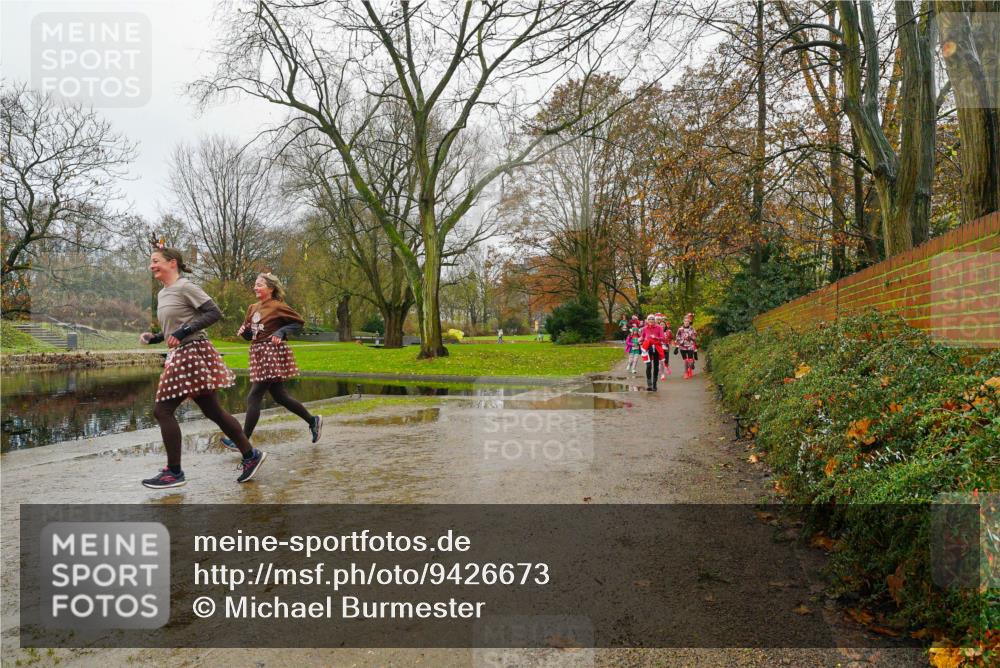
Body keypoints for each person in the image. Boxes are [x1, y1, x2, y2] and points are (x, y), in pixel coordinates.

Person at [139, 247, 267, 489]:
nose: (151, 266)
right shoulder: (163, 293)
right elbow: (175, 327)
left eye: (156, 261)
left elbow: (213, 312)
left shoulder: (185, 287)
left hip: (191, 351)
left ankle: (174, 472)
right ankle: (251, 455)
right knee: (214, 411)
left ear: (172, 263)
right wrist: (156, 337)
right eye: (151, 262)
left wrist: (183, 332)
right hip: (182, 351)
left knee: (163, 411)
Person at [221, 273, 322, 450]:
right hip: (258, 351)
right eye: (255, 284)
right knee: (280, 396)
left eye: (259, 284)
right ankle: (313, 420)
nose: (255, 287)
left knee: (254, 395)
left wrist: (280, 332)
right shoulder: (252, 307)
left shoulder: (278, 306)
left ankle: (242, 441)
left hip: (271, 353)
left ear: (270, 288)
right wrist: (244, 332)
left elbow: (298, 322)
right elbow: (250, 335)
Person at [639, 314, 666, 391]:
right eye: (649, 320)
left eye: (652, 320)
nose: (651, 321)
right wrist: (640, 339)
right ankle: (649, 384)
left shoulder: (659, 328)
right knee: (648, 366)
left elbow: (663, 339)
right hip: (647, 348)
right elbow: (642, 337)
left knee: (656, 366)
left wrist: (656, 337)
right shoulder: (644, 328)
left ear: (654, 321)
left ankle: (654, 384)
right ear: (647, 321)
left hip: (656, 348)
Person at [676, 312, 699, 379]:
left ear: (689, 322)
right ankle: (686, 373)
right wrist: (680, 342)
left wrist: (691, 338)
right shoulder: (680, 329)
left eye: (688, 321)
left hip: (690, 346)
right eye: (685, 321)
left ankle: (690, 367)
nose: (686, 322)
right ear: (683, 322)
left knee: (690, 360)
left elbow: (695, 336)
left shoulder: (692, 328)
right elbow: (677, 336)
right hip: (682, 346)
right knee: (685, 360)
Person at [656, 314, 674, 378]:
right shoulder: (657, 332)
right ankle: (662, 374)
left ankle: (666, 367)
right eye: (661, 325)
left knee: (666, 360)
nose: (662, 326)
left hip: (666, 348)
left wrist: (672, 343)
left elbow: (671, 338)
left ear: (665, 325)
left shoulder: (669, 331)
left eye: (663, 325)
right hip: (659, 348)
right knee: (660, 361)